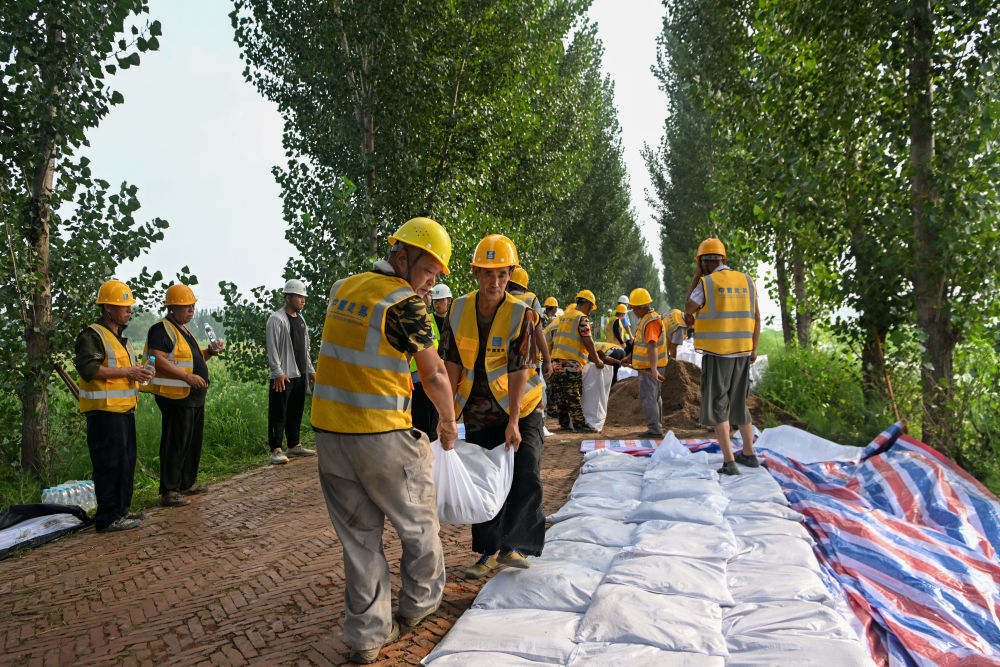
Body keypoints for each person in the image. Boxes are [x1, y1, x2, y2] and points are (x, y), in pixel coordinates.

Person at [311, 217, 459, 665]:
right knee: (420, 524)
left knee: (359, 541)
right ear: (402, 257)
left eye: (436, 275)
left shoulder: (343, 288)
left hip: (330, 436)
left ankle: (367, 635)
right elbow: (434, 373)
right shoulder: (404, 303)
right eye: (428, 272)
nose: (430, 283)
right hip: (382, 436)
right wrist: (448, 421)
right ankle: (419, 605)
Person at [440, 234, 546, 579]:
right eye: (489, 274)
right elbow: (451, 362)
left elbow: (519, 368)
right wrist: (448, 414)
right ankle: (488, 551)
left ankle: (514, 546)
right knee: (484, 479)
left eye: (502, 275)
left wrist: (513, 421)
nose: (495, 282)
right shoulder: (458, 309)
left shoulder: (520, 314)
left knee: (525, 472)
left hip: (521, 408)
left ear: (510, 274)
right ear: (476, 273)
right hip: (478, 410)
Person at [74, 280, 154, 532]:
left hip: (124, 410)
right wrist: (128, 372)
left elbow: (123, 370)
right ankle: (108, 518)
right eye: (123, 306)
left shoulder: (122, 339)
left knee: (125, 463)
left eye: (130, 306)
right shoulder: (92, 335)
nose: (130, 310)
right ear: (108, 308)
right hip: (104, 413)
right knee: (109, 465)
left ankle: (121, 511)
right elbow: (89, 369)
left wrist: (139, 372)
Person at [684, 237, 761, 476]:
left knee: (719, 404)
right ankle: (749, 454)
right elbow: (756, 317)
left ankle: (729, 462)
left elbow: (688, 308)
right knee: (739, 403)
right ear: (722, 258)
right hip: (743, 351)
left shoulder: (707, 283)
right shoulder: (747, 280)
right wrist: (754, 348)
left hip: (718, 353)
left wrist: (696, 278)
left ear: (703, 262)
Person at [144, 284, 223, 507]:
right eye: (186, 306)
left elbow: (191, 360)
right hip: (176, 396)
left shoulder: (183, 330)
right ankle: (170, 490)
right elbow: (158, 360)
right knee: (176, 442)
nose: (191, 310)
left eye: (193, 306)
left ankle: (187, 483)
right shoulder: (162, 329)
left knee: (192, 441)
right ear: (172, 308)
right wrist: (187, 377)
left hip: (193, 396)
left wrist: (209, 352)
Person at [266, 279, 317, 464]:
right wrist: (277, 372)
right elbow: (272, 348)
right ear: (288, 298)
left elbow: (305, 349)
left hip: (300, 373)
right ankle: (276, 450)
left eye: (303, 297)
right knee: (278, 412)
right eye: (299, 296)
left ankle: (294, 445)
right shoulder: (276, 319)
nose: (302, 300)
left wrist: (310, 370)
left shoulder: (301, 320)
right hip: (283, 375)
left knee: (296, 411)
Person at [549, 289, 604, 432]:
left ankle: (564, 423)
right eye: (591, 308)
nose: (590, 311)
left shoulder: (564, 317)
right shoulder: (581, 318)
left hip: (556, 361)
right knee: (573, 395)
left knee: (561, 395)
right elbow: (588, 341)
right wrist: (597, 360)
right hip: (570, 363)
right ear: (588, 304)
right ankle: (580, 425)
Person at [622, 288, 667, 438]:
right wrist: (630, 357)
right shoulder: (649, 319)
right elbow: (642, 345)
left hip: (650, 367)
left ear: (641, 307)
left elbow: (652, 345)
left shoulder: (651, 322)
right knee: (655, 397)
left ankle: (655, 429)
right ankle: (657, 426)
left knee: (649, 398)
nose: (633, 311)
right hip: (654, 366)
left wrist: (653, 369)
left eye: (634, 308)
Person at [507, 266, 553, 381]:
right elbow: (538, 331)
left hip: (501, 357)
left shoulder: (500, 299)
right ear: (524, 287)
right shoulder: (531, 301)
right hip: (527, 359)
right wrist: (547, 360)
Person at [409, 291, 441, 440]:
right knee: (422, 425)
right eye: (427, 294)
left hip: (430, 376)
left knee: (431, 424)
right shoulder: (414, 316)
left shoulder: (425, 317)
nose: (429, 298)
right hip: (419, 378)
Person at [604, 303, 634, 384]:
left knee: (612, 369)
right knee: (615, 368)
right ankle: (613, 383)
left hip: (609, 346)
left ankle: (611, 382)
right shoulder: (617, 320)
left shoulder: (612, 319)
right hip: (615, 347)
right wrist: (622, 343)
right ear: (623, 314)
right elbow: (616, 332)